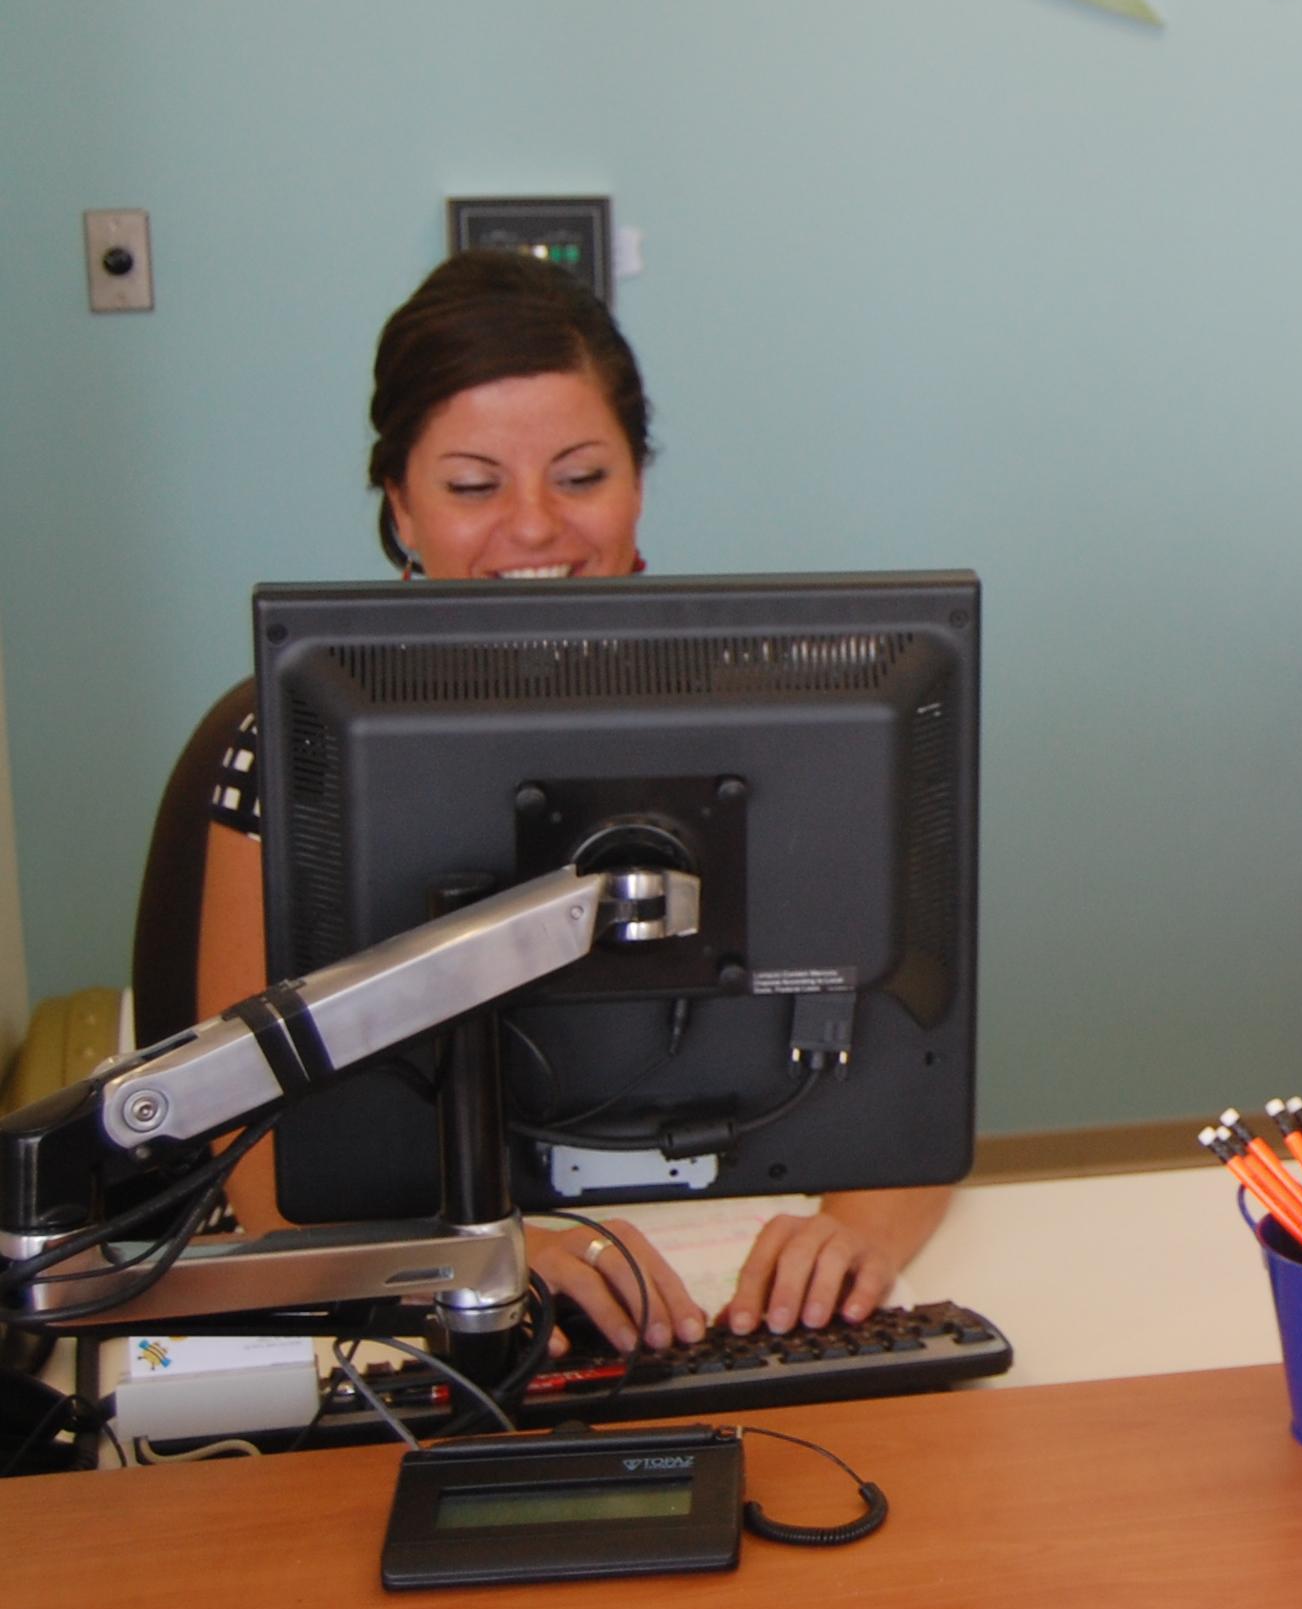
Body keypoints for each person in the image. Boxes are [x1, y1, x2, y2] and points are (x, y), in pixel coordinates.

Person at [191, 252, 951, 1353]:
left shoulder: (788, 718)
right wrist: (489, 1252)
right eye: (472, 485)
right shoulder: (289, 752)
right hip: (404, 1309)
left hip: (706, 1287)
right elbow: (257, 1176)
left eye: (582, 475)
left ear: (638, 482)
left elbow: (908, 1066)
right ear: (399, 504)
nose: (536, 526)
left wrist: (861, 1231)